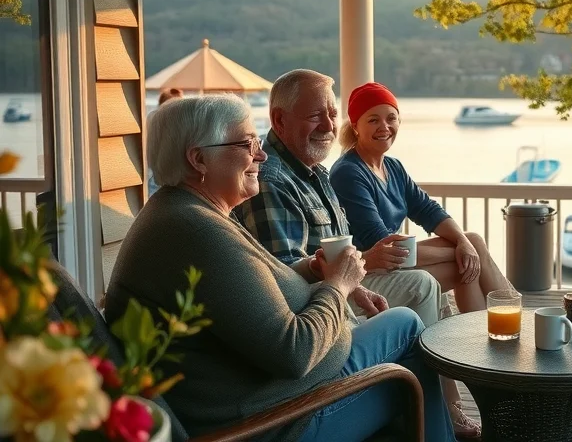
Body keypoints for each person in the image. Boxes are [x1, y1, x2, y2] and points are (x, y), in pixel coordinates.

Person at [104, 94, 455, 442]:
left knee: (402, 348)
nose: (261, 154)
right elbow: (295, 352)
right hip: (276, 421)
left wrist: (310, 271)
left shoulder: (186, 211)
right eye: (246, 144)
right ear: (199, 159)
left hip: (278, 395)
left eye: (257, 141)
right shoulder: (194, 230)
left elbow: (251, 285)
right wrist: (338, 285)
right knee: (405, 326)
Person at [233, 70, 480, 438]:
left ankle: (472, 380)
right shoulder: (277, 182)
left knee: (465, 251)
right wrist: (346, 285)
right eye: (316, 115)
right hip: (321, 343)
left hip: (346, 297)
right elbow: (285, 283)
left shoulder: (316, 172)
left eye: (332, 114)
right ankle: (436, 408)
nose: (328, 124)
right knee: (420, 296)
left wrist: (357, 286)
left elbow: (415, 214)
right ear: (280, 120)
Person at [329, 82, 513, 316]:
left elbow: (428, 210)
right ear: (355, 126)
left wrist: (464, 242)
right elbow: (383, 244)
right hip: (368, 272)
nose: (384, 126)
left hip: (397, 263)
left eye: (391, 118)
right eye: (373, 120)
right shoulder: (349, 172)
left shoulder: (393, 167)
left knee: (470, 251)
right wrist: (466, 247)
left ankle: (493, 328)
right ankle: (508, 321)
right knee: (468, 258)